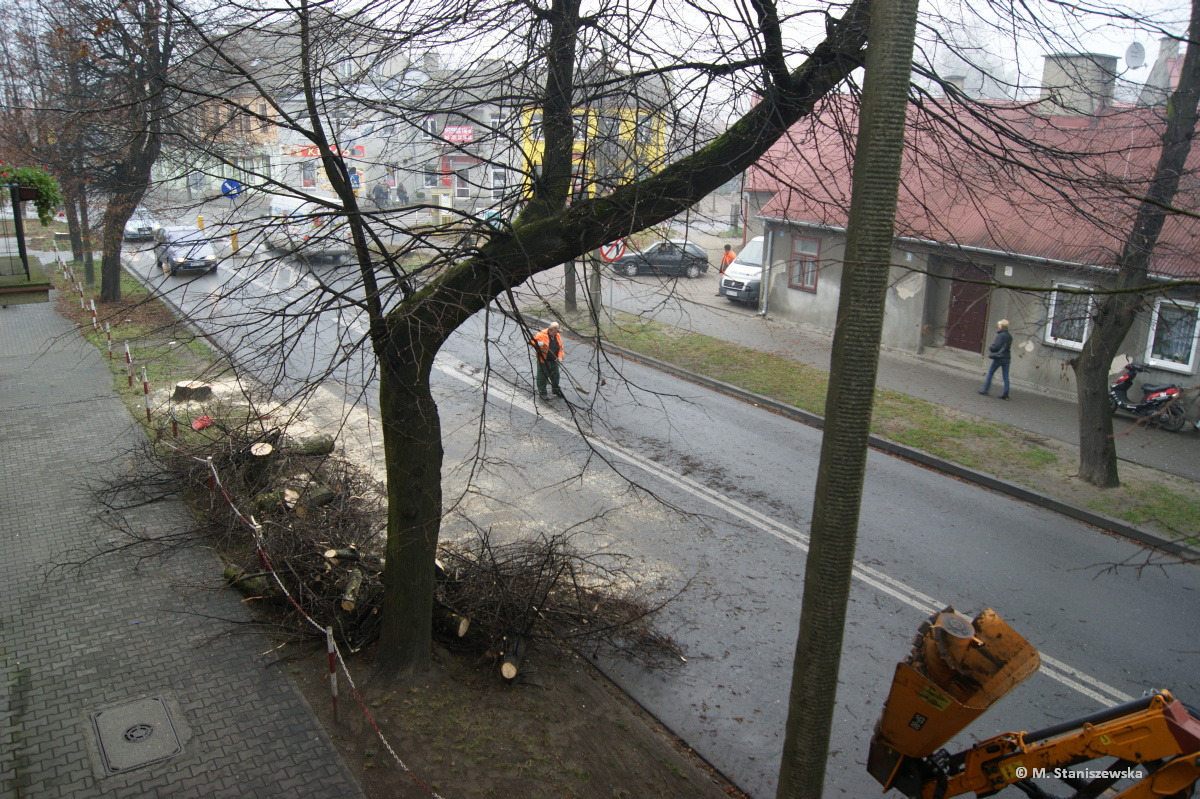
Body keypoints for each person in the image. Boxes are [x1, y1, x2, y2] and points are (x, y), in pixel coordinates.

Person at [978, 319, 1013, 399]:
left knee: (990, 372)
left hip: (999, 357)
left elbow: (996, 346)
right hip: (1007, 357)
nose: (998, 326)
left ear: (1001, 326)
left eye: (999, 325)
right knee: (1005, 376)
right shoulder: (1009, 336)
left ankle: (985, 390)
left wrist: (991, 347)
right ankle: (1006, 393)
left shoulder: (1000, 335)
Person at [531, 321, 565, 398]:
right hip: (543, 360)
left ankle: (556, 390)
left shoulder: (557, 336)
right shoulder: (541, 334)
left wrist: (560, 357)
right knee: (542, 377)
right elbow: (531, 341)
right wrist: (537, 343)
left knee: (555, 376)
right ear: (552, 330)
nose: (558, 332)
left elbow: (560, 348)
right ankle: (542, 392)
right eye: (557, 331)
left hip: (554, 360)